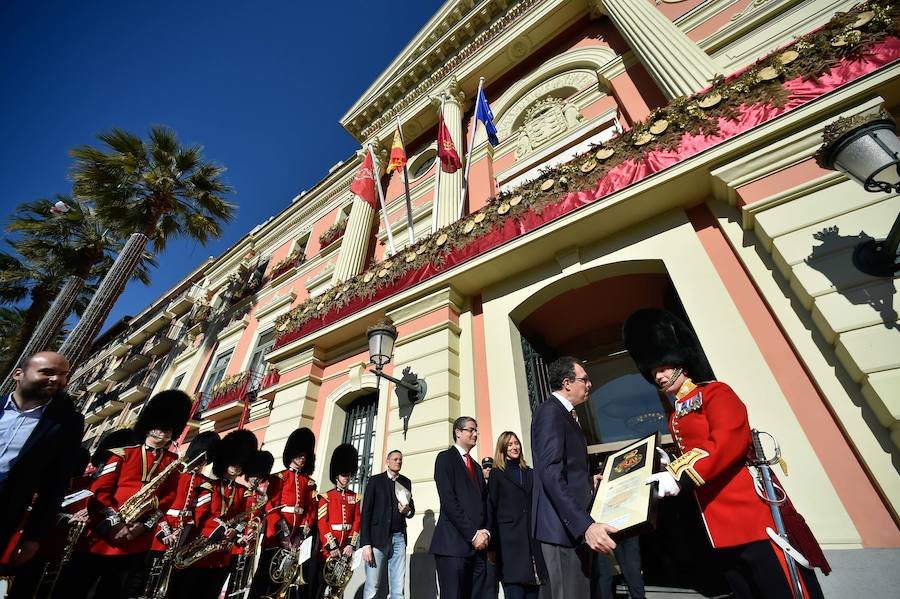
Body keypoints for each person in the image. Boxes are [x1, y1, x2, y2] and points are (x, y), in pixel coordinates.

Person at [623, 308, 829, 599]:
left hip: (750, 516)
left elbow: (727, 443)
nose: (659, 375)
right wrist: (670, 462)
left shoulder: (716, 393)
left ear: (680, 360)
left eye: (664, 366)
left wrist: (678, 474)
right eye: (654, 370)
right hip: (718, 526)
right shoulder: (675, 415)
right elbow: (697, 450)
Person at [76, 389, 191, 598]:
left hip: (137, 540)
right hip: (104, 536)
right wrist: (115, 525)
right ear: (148, 427)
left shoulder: (172, 463)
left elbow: (167, 500)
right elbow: (100, 491)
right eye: (158, 428)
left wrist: (142, 526)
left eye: (168, 430)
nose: (163, 433)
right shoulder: (122, 454)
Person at [531, 356, 617, 598]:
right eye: (584, 379)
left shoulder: (567, 415)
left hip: (573, 529)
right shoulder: (550, 412)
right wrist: (585, 526)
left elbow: (566, 470)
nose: (589, 384)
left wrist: (589, 483)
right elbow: (549, 473)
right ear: (567, 383)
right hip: (562, 530)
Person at [0, 352, 84, 573]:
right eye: (47, 372)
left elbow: (55, 483)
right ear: (18, 374)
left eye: (63, 375)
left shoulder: (67, 423)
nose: (56, 379)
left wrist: (34, 537)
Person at [182, 429, 258, 599]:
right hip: (198, 553)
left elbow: (245, 518)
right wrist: (223, 532)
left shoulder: (244, 492)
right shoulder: (209, 486)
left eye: (240, 462)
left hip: (222, 555)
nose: (236, 465)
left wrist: (235, 534)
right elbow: (201, 513)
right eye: (233, 460)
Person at [148, 430, 220, 599]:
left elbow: (201, 511)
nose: (202, 464)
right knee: (148, 576)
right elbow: (157, 502)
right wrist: (163, 529)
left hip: (184, 535)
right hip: (161, 530)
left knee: (171, 582)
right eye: (202, 458)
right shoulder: (175, 471)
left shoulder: (203, 481)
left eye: (205, 460)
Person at [248, 427, 317, 599]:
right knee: (263, 580)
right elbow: (270, 507)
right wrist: (283, 535)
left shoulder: (308, 483)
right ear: (292, 454)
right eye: (299, 454)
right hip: (276, 537)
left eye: (304, 455)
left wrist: (300, 535)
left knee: (282, 584)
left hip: (295, 539)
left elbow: (310, 511)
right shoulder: (278, 478)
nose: (302, 458)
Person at [429, 416, 490, 599]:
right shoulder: (445, 459)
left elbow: (484, 503)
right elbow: (449, 501)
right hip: (452, 546)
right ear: (458, 432)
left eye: (476, 430)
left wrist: (485, 532)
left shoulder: (477, 468)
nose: (475, 434)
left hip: (478, 549)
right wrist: (472, 534)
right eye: (470, 430)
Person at [486, 431, 547, 599]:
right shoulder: (496, 474)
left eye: (517, 443)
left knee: (533, 594)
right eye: (510, 444)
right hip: (509, 546)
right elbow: (491, 509)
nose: (515, 447)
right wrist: (491, 547)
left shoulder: (530, 472)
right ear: (503, 449)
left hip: (532, 544)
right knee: (515, 593)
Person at [360, 449, 414, 599]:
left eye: (400, 460)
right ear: (387, 461)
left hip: (399, 539)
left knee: (398, 588)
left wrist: (407, 510)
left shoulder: (405, 482)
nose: (398, 462)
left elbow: (412, 510)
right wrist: (366, 544)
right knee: (372, 587)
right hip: (377, 540)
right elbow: (366, 514)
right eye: (395, 459)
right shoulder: (375, 481)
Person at [225, 450, 274, 599]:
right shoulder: (239, 491)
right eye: (253, 475)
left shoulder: (262, 497)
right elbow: (234, 518)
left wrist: (257, 530)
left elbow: (263, 518)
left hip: (250, 546)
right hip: (234, 544)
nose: (256, 480)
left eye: (259, 477)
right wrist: (240, 534)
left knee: (239, 586)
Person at [315, 443, 361, 599]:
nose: (346, 478)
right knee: (322, 586)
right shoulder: (326, 497)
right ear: (336, 476)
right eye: (343, 475)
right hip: (329, 549)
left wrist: (351, 544)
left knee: (339, 587)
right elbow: (323, 523)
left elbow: (357, 521)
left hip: (345, 549)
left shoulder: (355, 498)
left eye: (348, 475)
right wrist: (331, 545)